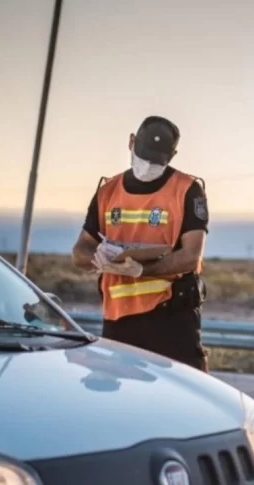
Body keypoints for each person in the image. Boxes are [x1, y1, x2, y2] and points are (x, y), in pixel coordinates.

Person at [71, 115, 209, 372]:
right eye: (143, 156)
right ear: (131, 142)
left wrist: (143, 270)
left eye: (156, 161)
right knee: (123, 405)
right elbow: (80, 250)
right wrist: (95, 258)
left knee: (185, 401)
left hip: (171, 317)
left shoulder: (187, 189)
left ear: (173, 155)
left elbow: (191, 256)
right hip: (119, 320)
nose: (147, 166)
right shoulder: (108, 191)